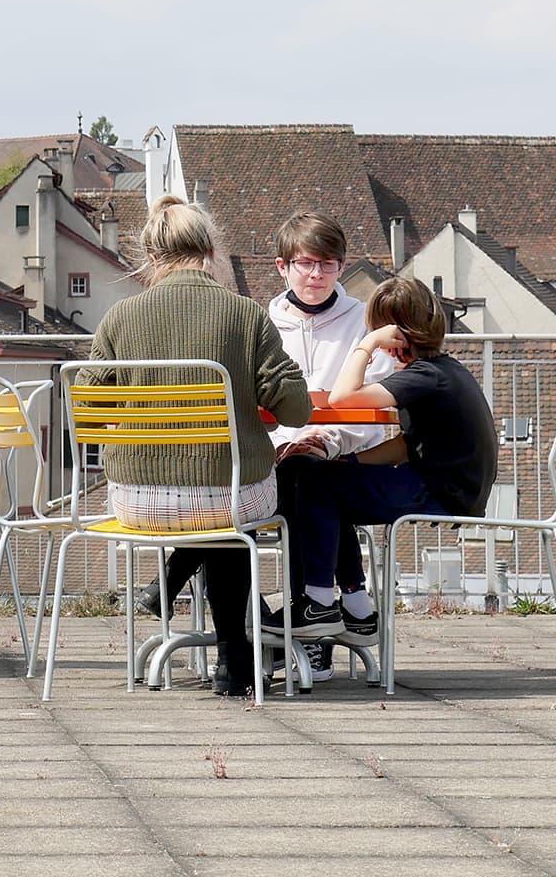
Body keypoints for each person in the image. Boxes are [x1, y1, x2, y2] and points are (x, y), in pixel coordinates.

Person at [137, 210, 395, 682]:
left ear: (342, 266)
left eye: (328, 265)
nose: (316, 275)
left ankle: (196, 590)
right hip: (268, 457)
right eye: (305, 264)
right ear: (282, 267)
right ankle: (290, 626)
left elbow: (374, 405)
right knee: (259, 493)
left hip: (335, 455)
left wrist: (325, 439)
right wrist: (279, 443)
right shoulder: (259, 319)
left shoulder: (362, 324)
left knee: (301, 483)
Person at [76, 196, 311, 697]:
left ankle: (206, 621)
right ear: (210, 250)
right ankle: (233, 654)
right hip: (228, 497)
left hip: (137, 501)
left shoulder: (119, 318)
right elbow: (296, 410)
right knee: (227, 506)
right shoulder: (245, 315)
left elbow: (88, 413)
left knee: (215, 503)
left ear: (151, 256)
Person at [267, 276, 498, 643]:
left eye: (379, 329)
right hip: (449, 488)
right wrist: (351, 463)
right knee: (325, 478)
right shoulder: (441, 371)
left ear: (397, 334)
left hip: (440, 493)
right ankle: (356, 609)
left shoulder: (425, 376)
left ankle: (318, 602)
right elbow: (406, 446)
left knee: (314, 482)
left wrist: (366, 344)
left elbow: (341, 398)